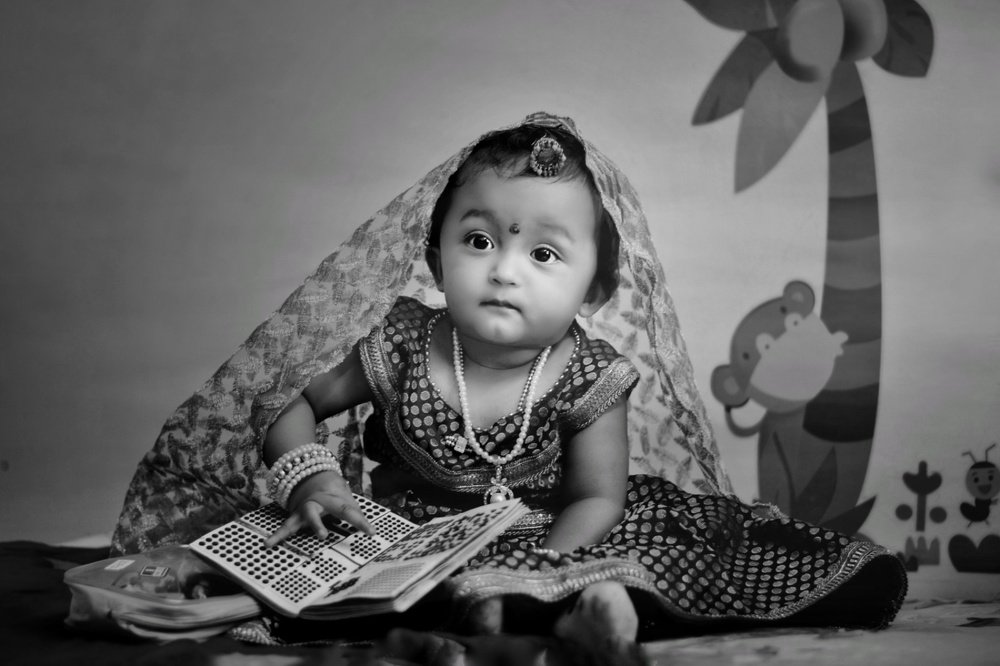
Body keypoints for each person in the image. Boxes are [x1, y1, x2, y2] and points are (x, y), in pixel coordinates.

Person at [112, 113, 906, 658]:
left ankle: (566, 608)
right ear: (436, 259)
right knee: (345, 579)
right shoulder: (405, 343)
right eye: (480, 240)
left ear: (596, 287)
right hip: (410, 535)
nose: (504, 271)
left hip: (556, 529)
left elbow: (597, 498)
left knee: (687, 557)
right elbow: (289, 401)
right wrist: (312, 478)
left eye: (544, 255)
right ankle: (512, 616)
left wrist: (544, 562)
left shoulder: (590, 376)